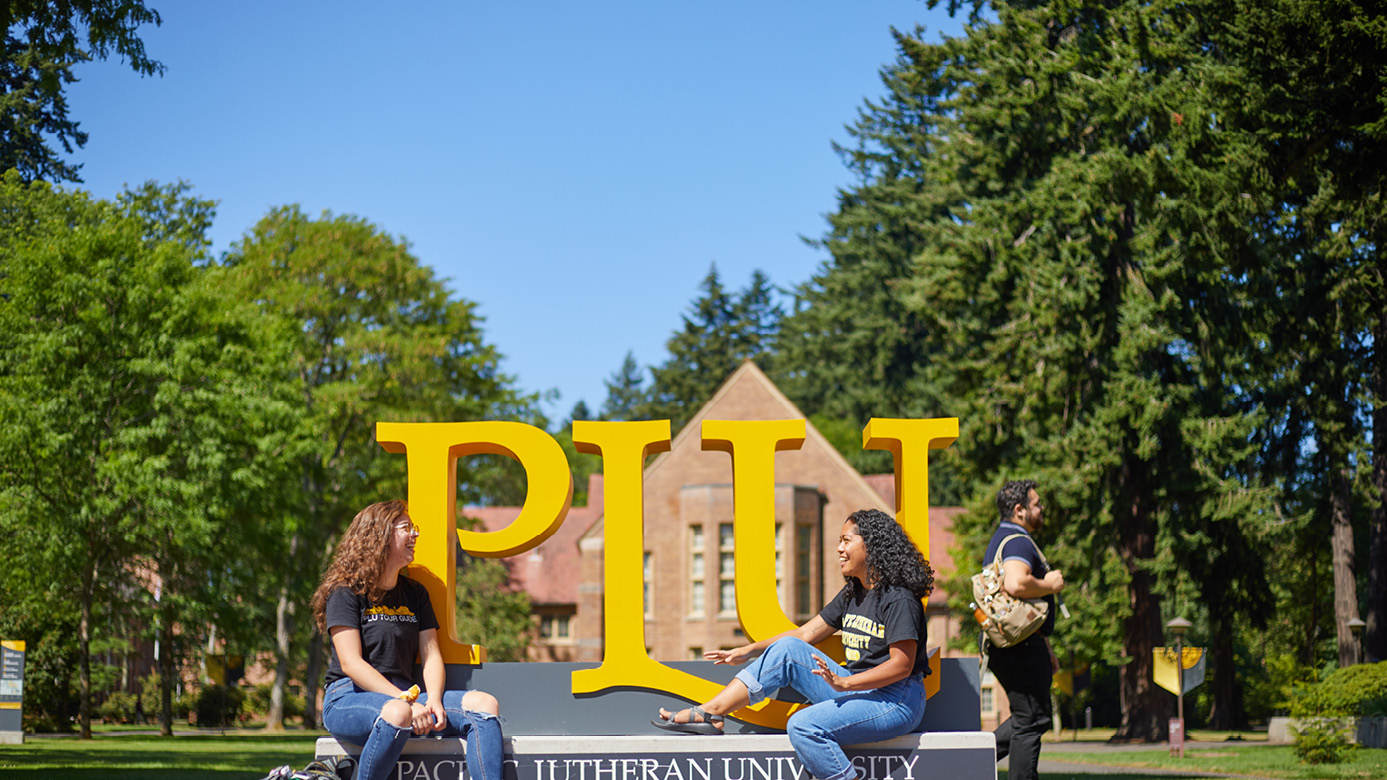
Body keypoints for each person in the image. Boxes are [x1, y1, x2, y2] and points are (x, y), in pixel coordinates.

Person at [652, 508, 933, 780]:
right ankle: (710, 713)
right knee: (788, 649)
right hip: (857, 689)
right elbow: (805, 634)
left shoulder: (899, 598)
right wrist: (749, 650)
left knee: (803, 725)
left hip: (895, 699)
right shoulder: (853, 593)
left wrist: (844, 684)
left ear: (871, 545)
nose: (839, 548)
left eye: (846, 540)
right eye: (839, 541)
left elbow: (902, 666)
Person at [310, 500, 504, 780]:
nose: (414, 534)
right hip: (348, 697)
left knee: (485, 705)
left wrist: (434, 700)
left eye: (414, 528)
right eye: (405, 528)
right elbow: (351, 664)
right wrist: (404, 700)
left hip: (406, 697)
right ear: (379, 536)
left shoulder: (415, 593)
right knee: (398, 713)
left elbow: (431, 654)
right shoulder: (346, 593)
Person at [985, 480, 1064, 780]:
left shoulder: (1002, 538)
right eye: (1037, 504)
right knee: (1031, 720)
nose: (1042, 509)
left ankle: (967, 756)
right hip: (1020, 649)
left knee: (1027, 717)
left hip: (1018, 644)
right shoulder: (1018, 541)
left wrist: (1046, 646)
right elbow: (1016, 584)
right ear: (1019, 510)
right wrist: (1050, 584)